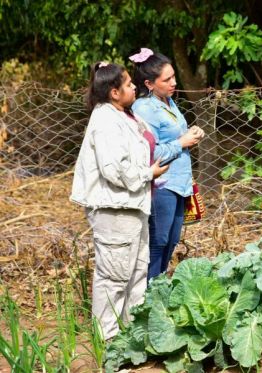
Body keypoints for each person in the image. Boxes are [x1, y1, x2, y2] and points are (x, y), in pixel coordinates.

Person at [70, 61, 169, 340]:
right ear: (114, 92)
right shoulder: (105, 120)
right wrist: (149, 173)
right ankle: (108, 341)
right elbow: (112, 169)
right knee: (114, 277)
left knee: (136, 272)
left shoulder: (124, 115)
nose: (133, 86)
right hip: (115, 209)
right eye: (127, 84)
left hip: (133, 205)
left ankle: (130, 338)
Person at [129, 48, 204, 282]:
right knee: (158, 241)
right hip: (163, 183)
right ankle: (146, 295)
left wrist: (192, 133)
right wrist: (182, 142)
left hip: (180, 183)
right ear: (149, 84)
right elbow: (149, 152)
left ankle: (158, 290)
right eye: (167, 79)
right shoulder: (143, 108)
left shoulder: (169, 101)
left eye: (173, 76)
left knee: (171, 242)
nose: (174, 82)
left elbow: (174, 136)